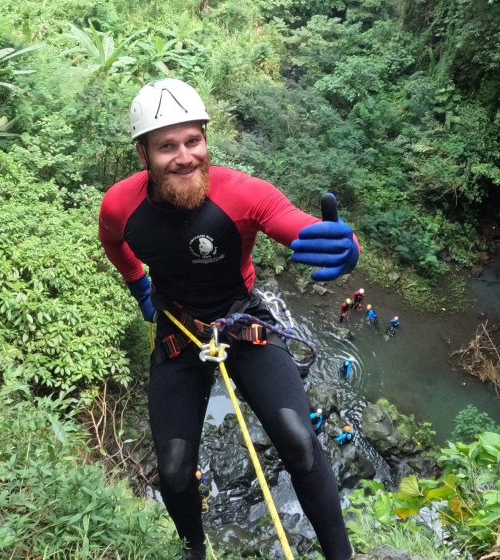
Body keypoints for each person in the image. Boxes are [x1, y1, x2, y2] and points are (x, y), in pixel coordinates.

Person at [99, 78, 358, 560]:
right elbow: (113, 242)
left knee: (300, 442)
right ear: (143, 154)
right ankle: (195, 552)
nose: (184, 156)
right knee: (174, 470)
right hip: (178, 333)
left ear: (205, 139)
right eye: (166, 146)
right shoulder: (121, 204)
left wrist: (345, 244)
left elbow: (295, 224)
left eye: (193, 140)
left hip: (243, 325)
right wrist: (139, 285)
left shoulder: (242, 193)